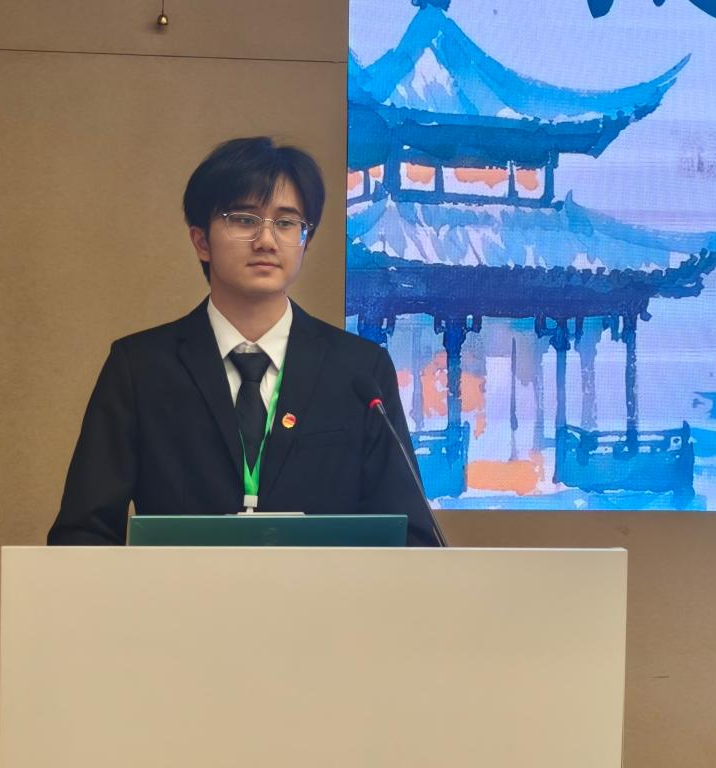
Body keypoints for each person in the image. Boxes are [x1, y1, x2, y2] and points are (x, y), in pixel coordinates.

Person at [47, 137, 440, 546]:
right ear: (201, 240)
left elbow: (411, 536)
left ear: (305, 240)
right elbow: (82, 533)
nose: (266, 240)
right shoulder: (140, 368)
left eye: (286, 223)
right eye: (244, 219)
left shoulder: (359, 371)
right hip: (181, 590)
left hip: (320, 590)